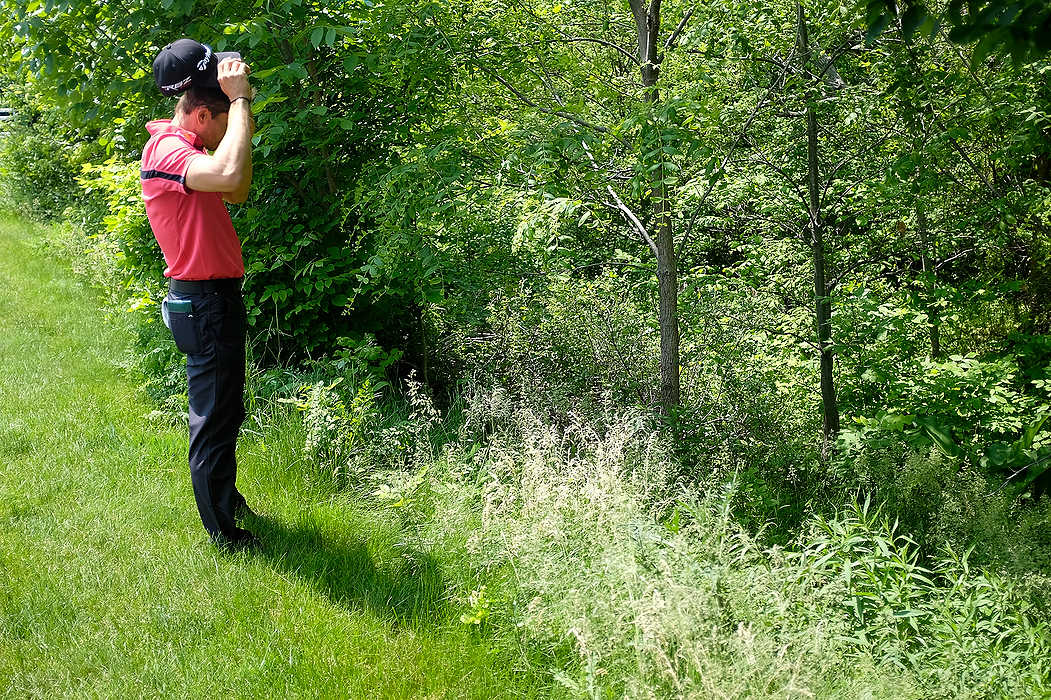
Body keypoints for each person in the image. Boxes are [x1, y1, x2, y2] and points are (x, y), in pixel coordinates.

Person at [140, 38, 259, 550]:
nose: (221, 137)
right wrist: (241, 102)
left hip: (215, 298)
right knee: (212, 417)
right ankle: (223, 534)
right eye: (220, 119)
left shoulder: (188, 151)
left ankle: (226, 500)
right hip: (204, 299)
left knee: (226, 409)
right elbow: (232, 173)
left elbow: (236, 188)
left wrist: (233, 107)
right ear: (202, 113)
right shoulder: (168, 150)